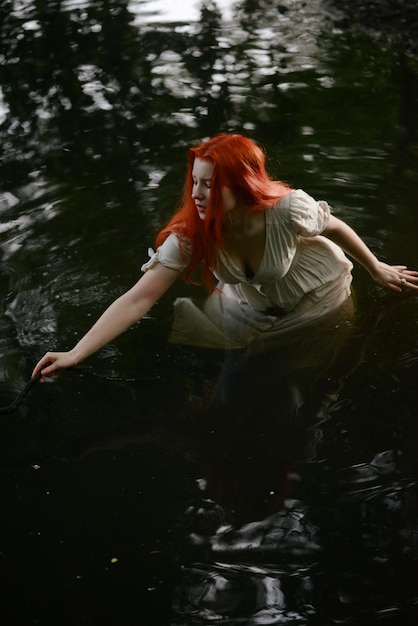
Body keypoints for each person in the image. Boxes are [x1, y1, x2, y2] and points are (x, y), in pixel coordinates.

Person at [32, 133, 418, 379]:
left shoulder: (286, 209)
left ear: (241, 186)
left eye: (211, 185)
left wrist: (377, 268)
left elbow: (334, 226)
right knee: (240, 370)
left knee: (295, 368)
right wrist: (75, 353)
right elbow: (140, 297)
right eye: (195, 183)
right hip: (251, 300)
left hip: (318, 290)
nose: (198, 195)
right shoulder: (191, 235)